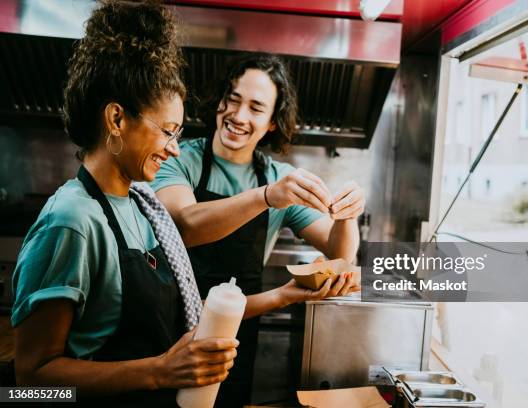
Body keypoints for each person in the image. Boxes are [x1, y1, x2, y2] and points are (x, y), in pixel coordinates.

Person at [10, 1, 237, 406]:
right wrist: (159, 371)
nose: (174, 149)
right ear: (116, 119)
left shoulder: (142, 206)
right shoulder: (73, 220)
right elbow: (31, 382)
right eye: (167, 131)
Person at [152, 54, 365, 406]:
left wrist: (348, 214)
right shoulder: (180, 158)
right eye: (232, 100)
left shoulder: (277, 177)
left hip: (235, 337)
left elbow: (339, 253)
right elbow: (185, 225)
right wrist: (265, 198)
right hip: (169, 331)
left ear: (271, 123)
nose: (238, 116)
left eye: (255, 107)